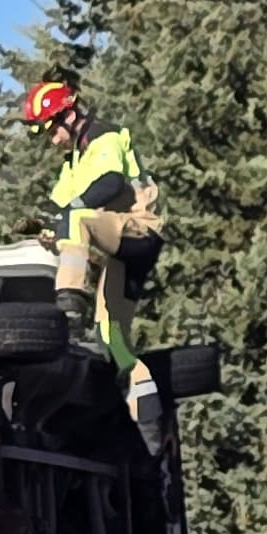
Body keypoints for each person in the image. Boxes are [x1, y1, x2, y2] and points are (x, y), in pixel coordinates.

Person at [25, 79, 163, 373]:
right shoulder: (73, 162)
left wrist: (67, 218)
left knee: (76, 218)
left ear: (70, 115)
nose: (52, 139)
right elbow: (59, 209)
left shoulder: (104, 136)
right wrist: (47, 228)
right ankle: (139, 394)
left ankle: (70, 308)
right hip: (116, 239)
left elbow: (110, 184)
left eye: (52, 129)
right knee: (108, 328)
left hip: (139, 227)